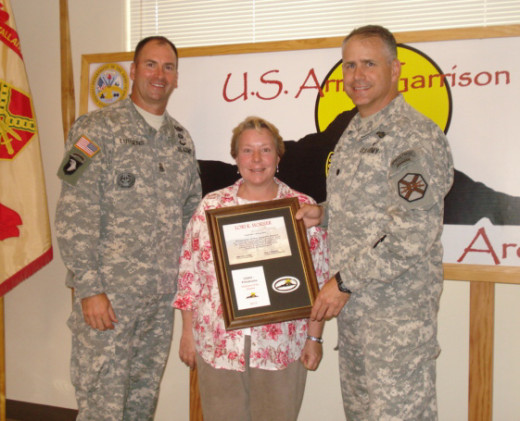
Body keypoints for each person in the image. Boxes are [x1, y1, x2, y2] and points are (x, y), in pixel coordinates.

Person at [296, 25, 454, 420]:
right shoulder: (354, 129)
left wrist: (345, 281)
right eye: (349, 65)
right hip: (357, 318)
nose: (357, 76)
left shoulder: (413, 135)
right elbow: (370, 203)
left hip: (395, 320)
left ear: (396, 69)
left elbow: (412, 231)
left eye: (369, 63)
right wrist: (324, 212)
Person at [55, 36, 201, 421]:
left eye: (168, 67)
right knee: (102, 404)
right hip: (109, 300)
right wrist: (89, 288)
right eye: (150, 65)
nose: (159, 74)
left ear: (176, 78)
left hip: (158, 301)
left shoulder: (182, 141)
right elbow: (74, 213)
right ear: (133, 72)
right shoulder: (94, 129)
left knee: (141, 404)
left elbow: (192, 220)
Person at [173, 116, 329, 421]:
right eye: (247, 151)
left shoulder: (302, 208)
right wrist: (187, 334)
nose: (256, 159)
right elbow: (189, 274)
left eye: (265, 150)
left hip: (281, 347)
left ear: (278, 157)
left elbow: (319, 281)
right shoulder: (211, 207)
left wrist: (315, 338)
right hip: (218, 345)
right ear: (235, 157)